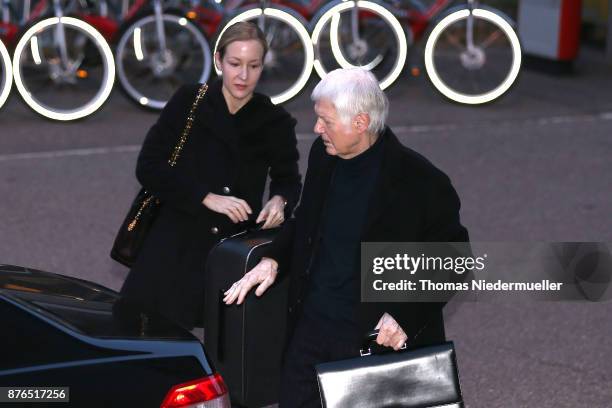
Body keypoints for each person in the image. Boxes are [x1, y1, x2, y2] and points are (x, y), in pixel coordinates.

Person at [223, 68, 469, 407]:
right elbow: (307, 220)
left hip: (369, 339)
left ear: (360, 122)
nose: (316, 129)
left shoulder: (419, 181)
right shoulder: (324, 156)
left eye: (326, 121)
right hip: (311, 327)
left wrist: (402, 317)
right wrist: (273, 259)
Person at [115, 22, 302, 330]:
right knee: (145, 340)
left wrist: (280, 201)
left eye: (253, 66)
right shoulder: (189, 101)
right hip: (174, 245)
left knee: (225, 355)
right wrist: (205, 197)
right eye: (235, 64)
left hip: (229, 252)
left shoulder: (274, 121)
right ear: (218, 61)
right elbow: (149, 166)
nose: (243, 75)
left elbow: (288, 179)